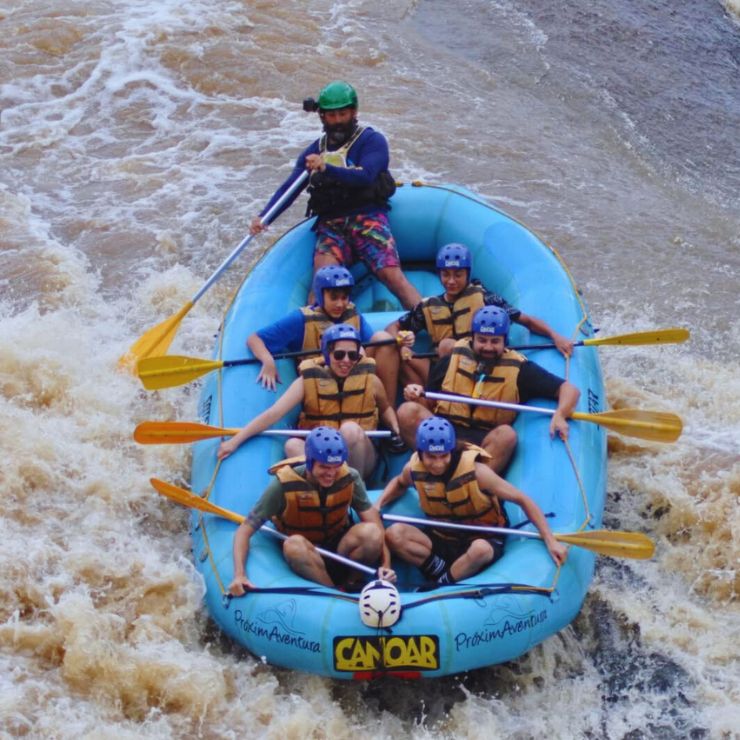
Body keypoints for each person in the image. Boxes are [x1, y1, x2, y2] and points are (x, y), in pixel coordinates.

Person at [249, 80, 421, 309]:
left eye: (343, 114)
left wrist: (325, 168)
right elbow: (289, 189)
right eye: (332, 116)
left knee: (393, 277)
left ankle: (431, 322)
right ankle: (318, 336)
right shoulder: (313, 152)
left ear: (354, 112)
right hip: (332, 225)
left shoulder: (372, 141)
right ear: (322, 117)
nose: (338, 121)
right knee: (321, 286)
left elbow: (366, 176)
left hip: (368, 219)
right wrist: (264, 217)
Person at [375, 417, 567, 586]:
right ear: (421, 452)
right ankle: (442, 571)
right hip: (443, 537)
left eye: (443, 455)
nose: (438, 463)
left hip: (481, 536)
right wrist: (378, 504)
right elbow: (399, 483)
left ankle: (442, 583)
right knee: (394, 534)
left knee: (480, 550)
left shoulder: (476, 472)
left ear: (451, 450)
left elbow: (522, 499)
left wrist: (550, 540)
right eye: (431, 457)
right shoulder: (413, 469)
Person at [398, 305, 581, 473]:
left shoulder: (521, 370)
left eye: (495, 341)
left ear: (505, 341)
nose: (488, 347)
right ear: (473, 338)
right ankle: (432, 467)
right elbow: (431, 402)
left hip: (483, 442)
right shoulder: (452, 359)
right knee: (407, 411)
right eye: (482, 340)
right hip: (443, 435)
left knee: (507, 435)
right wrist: (416, 393)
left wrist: (560, 414)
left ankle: (472, 483)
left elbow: (569, 390)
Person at [218, 324, 403, 478]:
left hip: (360, 457)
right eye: (339, 355)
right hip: (323, 458)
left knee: (350, 429)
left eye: (352, 355)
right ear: (327, 353)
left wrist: (395, 428)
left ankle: (354, 489)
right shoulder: (307, 382)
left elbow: (385, 408)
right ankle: (327, 486)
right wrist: (235, 441)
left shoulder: (370, 380)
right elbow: (274, 413)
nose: (346, 361)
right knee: (292, 445)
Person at [228, 426, 395, 594]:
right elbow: (244, 531)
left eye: (335, 466)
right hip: (307, 554)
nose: (331, 473)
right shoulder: (282, 487)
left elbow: (374, 521)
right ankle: (335, 593)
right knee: (294, 545)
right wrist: (239, 574)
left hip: (339, 547)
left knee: (372, 533)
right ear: (309, 462)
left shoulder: (349, 477)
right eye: (324, 467)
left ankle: (353, 581)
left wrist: (386, 564)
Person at [386, 242, 574, 386]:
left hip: (476, 368)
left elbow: (526, 320)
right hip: (438, 373)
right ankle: (427, 400)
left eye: (457, 275)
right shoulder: (428, 306)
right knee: (402, 356)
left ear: (467, 274)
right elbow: (394, 327)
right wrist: (401, 343)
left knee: (447, 345)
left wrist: (555, 336)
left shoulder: (485, 298)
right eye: (446, 274)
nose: (451, 281)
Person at [246, 264, 414, 400]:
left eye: (344, 297)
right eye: (334, 297)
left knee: (382, 339)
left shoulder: (352, 313)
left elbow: (370, 346)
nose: (340, 304)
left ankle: (386, 413)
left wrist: (401, 343)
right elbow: (254, 339)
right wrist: (268, 361)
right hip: (321, 382)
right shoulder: (300, 319)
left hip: (352, 374)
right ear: (320, 295)